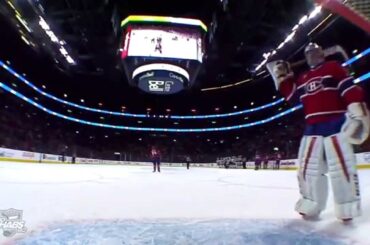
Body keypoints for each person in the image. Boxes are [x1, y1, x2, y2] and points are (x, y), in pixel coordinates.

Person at [268, 42, 370, 221]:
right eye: (309, 53)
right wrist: (283, 78)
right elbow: (293, 98)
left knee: (342, 167)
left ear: (322, 53)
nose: (312, 55)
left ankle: (347, 207)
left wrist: (356, 111)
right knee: (308, 169)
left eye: (315, 52)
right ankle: (310, 203)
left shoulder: (333, 67)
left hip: (336, 122)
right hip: (312, 127)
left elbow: (348, 89)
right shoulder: (303, 77)